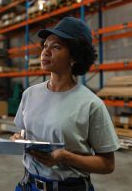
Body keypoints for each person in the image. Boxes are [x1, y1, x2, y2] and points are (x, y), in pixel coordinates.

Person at [11, 17, 120, 191]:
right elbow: (25, 130)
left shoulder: (90, 104)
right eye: (45, 46)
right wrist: (19, 138)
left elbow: (107, 164)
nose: (45, 52)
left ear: (74, 57)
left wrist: (65, 157)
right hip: (28, 184)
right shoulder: (30, 94)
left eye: (56, 47)